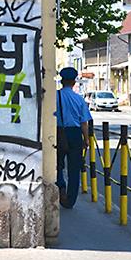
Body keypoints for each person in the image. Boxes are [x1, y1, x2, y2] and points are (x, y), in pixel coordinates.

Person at [55, 67, 93, 209]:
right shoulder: (79, 99)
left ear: (62, 81)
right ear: (74, 81)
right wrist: (86, 139)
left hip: (58, 133)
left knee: (57, 164)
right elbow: (84, 122)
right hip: (75, 134)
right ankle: (70, 200)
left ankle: (60, 186)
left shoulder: (55, 97)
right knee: (74, 168)